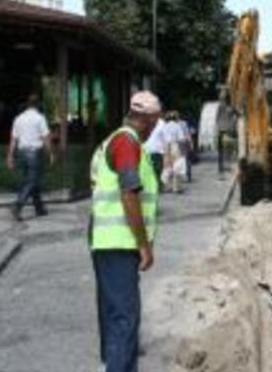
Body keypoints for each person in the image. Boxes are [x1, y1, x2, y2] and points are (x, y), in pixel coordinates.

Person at [88, 90, 161, 372]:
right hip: (118, 243)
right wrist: (144, 245)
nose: (154, 129)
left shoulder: (114, 140)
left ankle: (111, 364)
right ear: (148, 120)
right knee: (124, 319)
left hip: (106, 241)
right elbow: (129, 192)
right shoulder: (126, 143)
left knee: (113, 315)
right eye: (154, 123)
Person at [7, 94, 55, 221]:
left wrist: (10, 156)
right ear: (38, 105)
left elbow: (13, 139)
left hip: (22, 154)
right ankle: (18, 206)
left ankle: (39, 208)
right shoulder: (40, 118)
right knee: (32, 181)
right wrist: (50, 153)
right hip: (34, 154)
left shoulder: (18, 119)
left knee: (32, 181)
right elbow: (46, 138)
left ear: (27, 105)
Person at [161, 111, 186, 193]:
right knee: (176, 168)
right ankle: (176, 187)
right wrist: (183, 151)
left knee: (167, 167)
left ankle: (167, 186)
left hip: (165, 147)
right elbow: (181, 139)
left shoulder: (164, 126)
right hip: (175, 146)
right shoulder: (177, 126)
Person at [145, 115, 167, 185]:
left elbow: (165, 137)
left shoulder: (162, 123)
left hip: (157, 150)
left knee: (158, 168)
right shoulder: (146, 121)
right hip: (148, 149)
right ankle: (155, 184)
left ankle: (157, 184)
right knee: (152, 169)